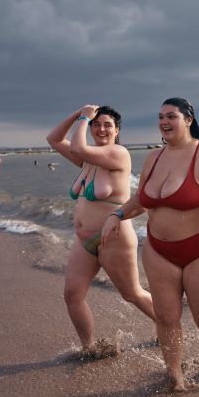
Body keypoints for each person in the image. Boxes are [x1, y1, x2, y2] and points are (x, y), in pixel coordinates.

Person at [102, 97, 199, 391]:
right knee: (166, 317)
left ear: (188, 120)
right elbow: (142, 200)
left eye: (171, 116)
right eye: (160, 117)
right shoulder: (153, 158)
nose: (164, 122)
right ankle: (175, 378)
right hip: (159, 251)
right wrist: (117, 214)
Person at [46, 105, 155, 357]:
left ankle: (168, 327)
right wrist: (77, 114)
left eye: (108, 125)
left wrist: (86, 117)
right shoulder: (88, 159)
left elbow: (76, 146)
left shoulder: (119, 154)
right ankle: (90, 348)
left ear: (117, 131)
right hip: (83, 240)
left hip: (113, 238)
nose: (101, 129)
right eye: (97, 124)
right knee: (72, 295)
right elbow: (53, 139)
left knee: (132, 294)